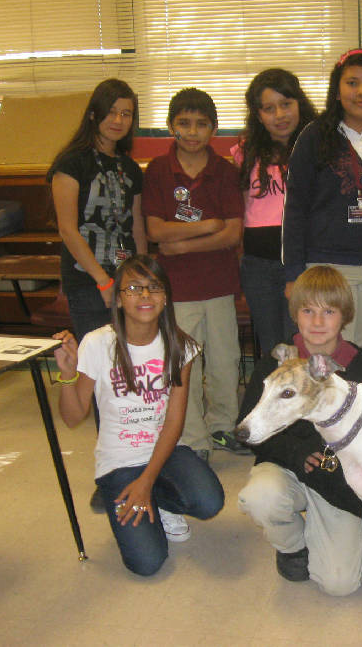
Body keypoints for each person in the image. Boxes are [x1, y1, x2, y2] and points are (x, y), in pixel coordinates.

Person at [52, 255, 224, 576]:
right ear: (118, 299)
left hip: (164, 453)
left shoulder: (179, 345)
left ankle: (160, 500)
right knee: (147, 563)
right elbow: (74, 417)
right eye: (134, 288)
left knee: (209, 500)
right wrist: (66, 375)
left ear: (166, 297)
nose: (145, 296)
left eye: (154, 288)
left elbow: (173, 424)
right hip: (118, 464)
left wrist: (145, 482)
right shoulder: (97, 343)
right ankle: (143, 502)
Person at [237, 265, 362, 595]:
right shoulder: (276, 362)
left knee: (340, 584)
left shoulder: (360, 370)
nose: (317, 322)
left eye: (328, 311)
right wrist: (296, 452)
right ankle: (292, 545)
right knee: (260, 498)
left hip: (335, 483)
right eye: (308, 311)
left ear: (344, 316)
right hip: (285, 465)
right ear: (295, 314)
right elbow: (249, 429)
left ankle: (324, 527)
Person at [48, 78, 147, 511]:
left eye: (127, 113)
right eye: (112, 112)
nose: (119, 121)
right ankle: (110, 474)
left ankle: (140, 461)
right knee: (103, 377)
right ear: (94, 114)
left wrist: (144, 278)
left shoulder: (129, 168)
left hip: (127, 284)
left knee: (132, 373)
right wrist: (103, 280)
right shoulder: (71, 163)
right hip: (90, 285)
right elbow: (69, 229)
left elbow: (137, 227)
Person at [283, 48, 362, 367]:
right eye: (352, 83)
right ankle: (332, 416)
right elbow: (295, 209)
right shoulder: (313, 137)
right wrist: (293, 272)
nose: (361, 92)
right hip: (329, 264)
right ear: (337, 91)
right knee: (333, 349)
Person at [141, 87, 248, 459]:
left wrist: (182, 244)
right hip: (178, 289)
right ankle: (192, 438)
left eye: (201, 124)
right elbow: (156, 231)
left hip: (219, 285)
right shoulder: (157, 170)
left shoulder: (224, 172)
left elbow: (233, 233)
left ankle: (222, 427)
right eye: (184, 123)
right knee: (185, 364)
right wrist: (209, 226)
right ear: (171, 126)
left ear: (214, 129)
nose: (192, 131)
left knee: (224, 360)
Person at [231, 69, 318, 356]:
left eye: (286, 104)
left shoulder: (317, 147)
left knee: (300, 342)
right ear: (257, 115)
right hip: (259, 266)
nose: (279, 115)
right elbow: (244, 206)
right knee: (272, 347)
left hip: (302, 263)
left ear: (299, 104)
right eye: (269, 109)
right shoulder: (246, 151)